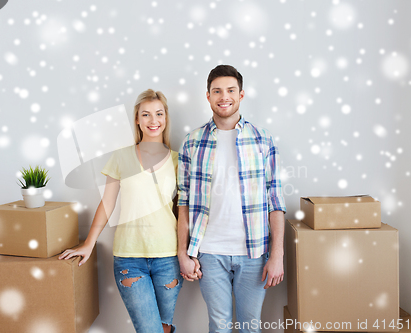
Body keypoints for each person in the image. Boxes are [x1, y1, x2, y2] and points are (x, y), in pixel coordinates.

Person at [59, 89, 183, 333]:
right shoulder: (121, 157)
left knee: (164, 328)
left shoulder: (178, 160)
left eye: (159, 114)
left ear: (166, 118)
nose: (153, 120)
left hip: (169, 258)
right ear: (137, 119)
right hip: (129, 259)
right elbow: (107, 203)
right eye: (146, 114)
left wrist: (189, 252)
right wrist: (88, 243)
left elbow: (185, 210)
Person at [177, 65, 286, 333]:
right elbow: (183, 203)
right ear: (208, 96)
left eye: (230, 90)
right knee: (220, 326)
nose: (223, 96)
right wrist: (183, 252)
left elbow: (276, 200)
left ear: (241, 94)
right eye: (217, 91)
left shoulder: (263, 139)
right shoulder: (192, 142)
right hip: (210, 252)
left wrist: (277, 254)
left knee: (251, 327)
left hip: (254, 253)